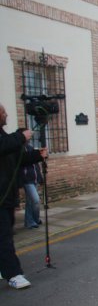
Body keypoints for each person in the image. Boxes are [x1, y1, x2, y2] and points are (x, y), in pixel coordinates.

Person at [0, 103, 47, 289]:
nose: (6, 114)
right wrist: (21, 136)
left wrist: (37, 155)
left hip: (7, 195)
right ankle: (13, 274)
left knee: (5, 234)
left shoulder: (4, 135)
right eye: (3, 112)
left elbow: (16, 158)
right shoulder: (7, 138)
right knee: (4, 237)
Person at [19, 132, 43, 229]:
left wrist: (40, 177)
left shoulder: (30, 147)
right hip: (27, 179)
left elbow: (36, 165)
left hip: (34, 178)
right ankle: (33, 220)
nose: (29, 138)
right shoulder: (19, 149)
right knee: (36, 200)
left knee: (30, 201)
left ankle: (31, 221)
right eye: (28, 136)